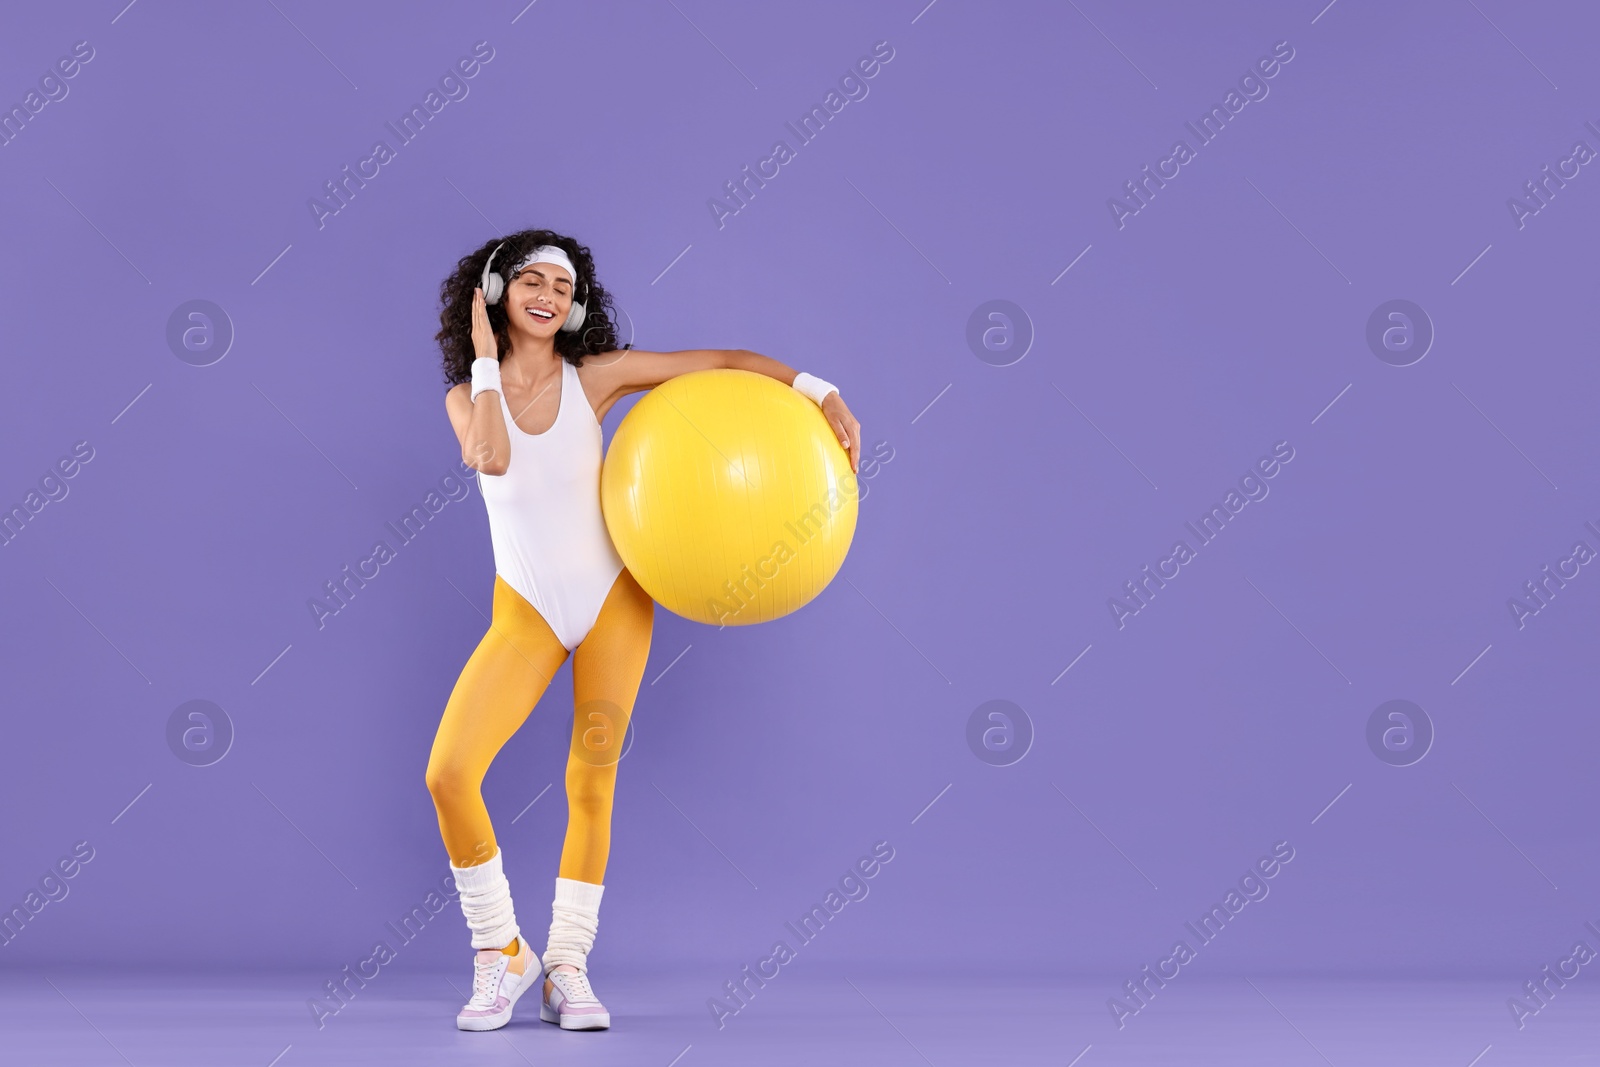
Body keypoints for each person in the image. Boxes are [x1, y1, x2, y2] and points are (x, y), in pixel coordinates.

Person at [425, 229, 861, 1032]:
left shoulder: (596, 376)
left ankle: (566, 964)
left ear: (576, 301)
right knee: (450, 773)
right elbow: (489, 454)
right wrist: (484, 356)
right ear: (495, 292)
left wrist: (818, 388)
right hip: (526, 611)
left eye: (563, 283)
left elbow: (722, 362)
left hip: (613, 606)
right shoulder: (467, 394)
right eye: (530, 279)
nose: (549, 294)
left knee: (590, 780)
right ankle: (501, 951)